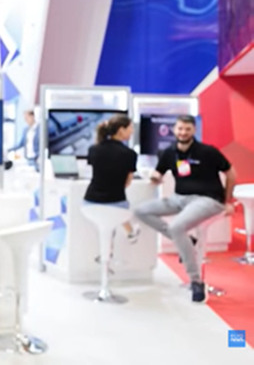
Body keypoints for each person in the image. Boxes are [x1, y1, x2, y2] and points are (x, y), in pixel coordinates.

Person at [134, 114, 237, 302]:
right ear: (174, 130)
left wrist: (227, 200)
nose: (183, 132)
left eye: (187, 129)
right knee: (141, 211)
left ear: (194, 130)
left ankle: (195, 281)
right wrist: (152, 176)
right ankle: (187, 240)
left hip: (207, 199)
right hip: (179, 198)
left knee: (176, 227)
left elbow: (231, 173)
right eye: (180, 129)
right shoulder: (169, 152)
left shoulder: (208, 151)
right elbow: (158, 173)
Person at [83, 115, 140, 243]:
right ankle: (130, 233)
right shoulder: (130, 154)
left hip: (89, 203)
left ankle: (112, 245)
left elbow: (92, 173)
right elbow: (127, 183)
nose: (132, 131)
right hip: (117, 205)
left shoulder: (93, 149)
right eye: (130, 128)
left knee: (107, 225)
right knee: (116, 213)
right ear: (121, 130)